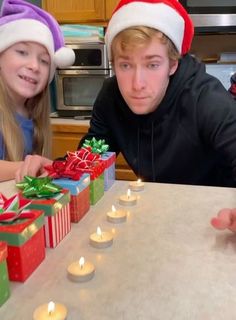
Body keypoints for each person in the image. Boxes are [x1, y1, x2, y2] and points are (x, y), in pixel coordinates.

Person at [23, 0, 236, 188]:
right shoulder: (111, 96)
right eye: (125, 65)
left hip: (215, 218)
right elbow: (90, 159)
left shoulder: (207, 99)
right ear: (113, 64)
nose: (137, 84)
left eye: (152, 64)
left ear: (172, 64)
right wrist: (56, 169)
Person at [0, 0, 74, 182]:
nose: (34, 66)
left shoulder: (33, 116)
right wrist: (31, 166)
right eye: (22, 52)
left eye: (44, 61)